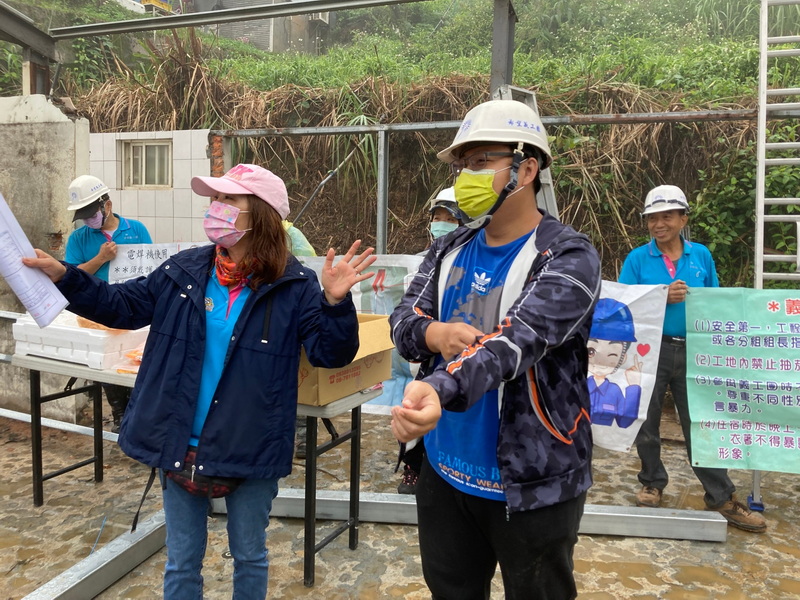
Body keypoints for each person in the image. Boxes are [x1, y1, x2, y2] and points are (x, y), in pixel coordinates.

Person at [24, 163, 377, 599]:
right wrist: (66, 276)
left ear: (261, 213)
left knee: (249, 555)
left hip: (250, 447)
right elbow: (122, 305)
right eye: (214, 198)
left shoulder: (296, 286)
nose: (216, 207)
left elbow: (331, 354)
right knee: (182, 561)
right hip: (179, 443)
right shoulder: (185, 271)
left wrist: (335, 304)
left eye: (229, 198)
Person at [389, 99, 602, 599]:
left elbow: (517, 341)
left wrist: (441, 386)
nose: (468, 175)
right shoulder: (448, 248)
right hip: (443, 470)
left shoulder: (568, 255)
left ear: (526, 169)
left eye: (482, 161)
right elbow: (403, 321)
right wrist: (436, 335)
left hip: (532, 482)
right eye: (463, 164)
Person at [618, 184, 767, 533]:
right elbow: (623, 302)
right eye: (652, 218)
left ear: (683, 219)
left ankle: (721, 496)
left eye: (667, 216)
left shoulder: (700, 256)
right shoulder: (637, 259)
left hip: (695, 349)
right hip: (650, 350)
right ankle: (652, 482)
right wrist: (660, 296)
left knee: (701, 422)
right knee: (647, 421)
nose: (658, 224)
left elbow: (715, 301)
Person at [65, 175, 153, 433]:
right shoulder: (78, 239)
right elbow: (72, 276)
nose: (88, 220)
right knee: (107, 360)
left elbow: (151, 266)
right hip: (97, 310)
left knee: (134, 361)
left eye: (91, 214)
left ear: (107, 205)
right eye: (83, 216)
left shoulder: (136, 229)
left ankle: (136, 414)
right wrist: (100, 258)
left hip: (136, 307)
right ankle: (119, 413)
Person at [397, 185, 463, 495]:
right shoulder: (429, 260)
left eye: (450, 218)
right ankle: (413, 468)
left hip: (466, 358)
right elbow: (405, 317)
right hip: (430, 357)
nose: (441, 224)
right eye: (437, 218)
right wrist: (432, 334)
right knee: (418, 411)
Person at [587, 298, 642, 429]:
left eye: (612, 354)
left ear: (623, 358)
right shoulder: (578, 385)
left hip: (607, 441)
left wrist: (634, 386)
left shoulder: (615, 391)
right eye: (591, 351)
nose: (600, 361)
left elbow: (624, 423)